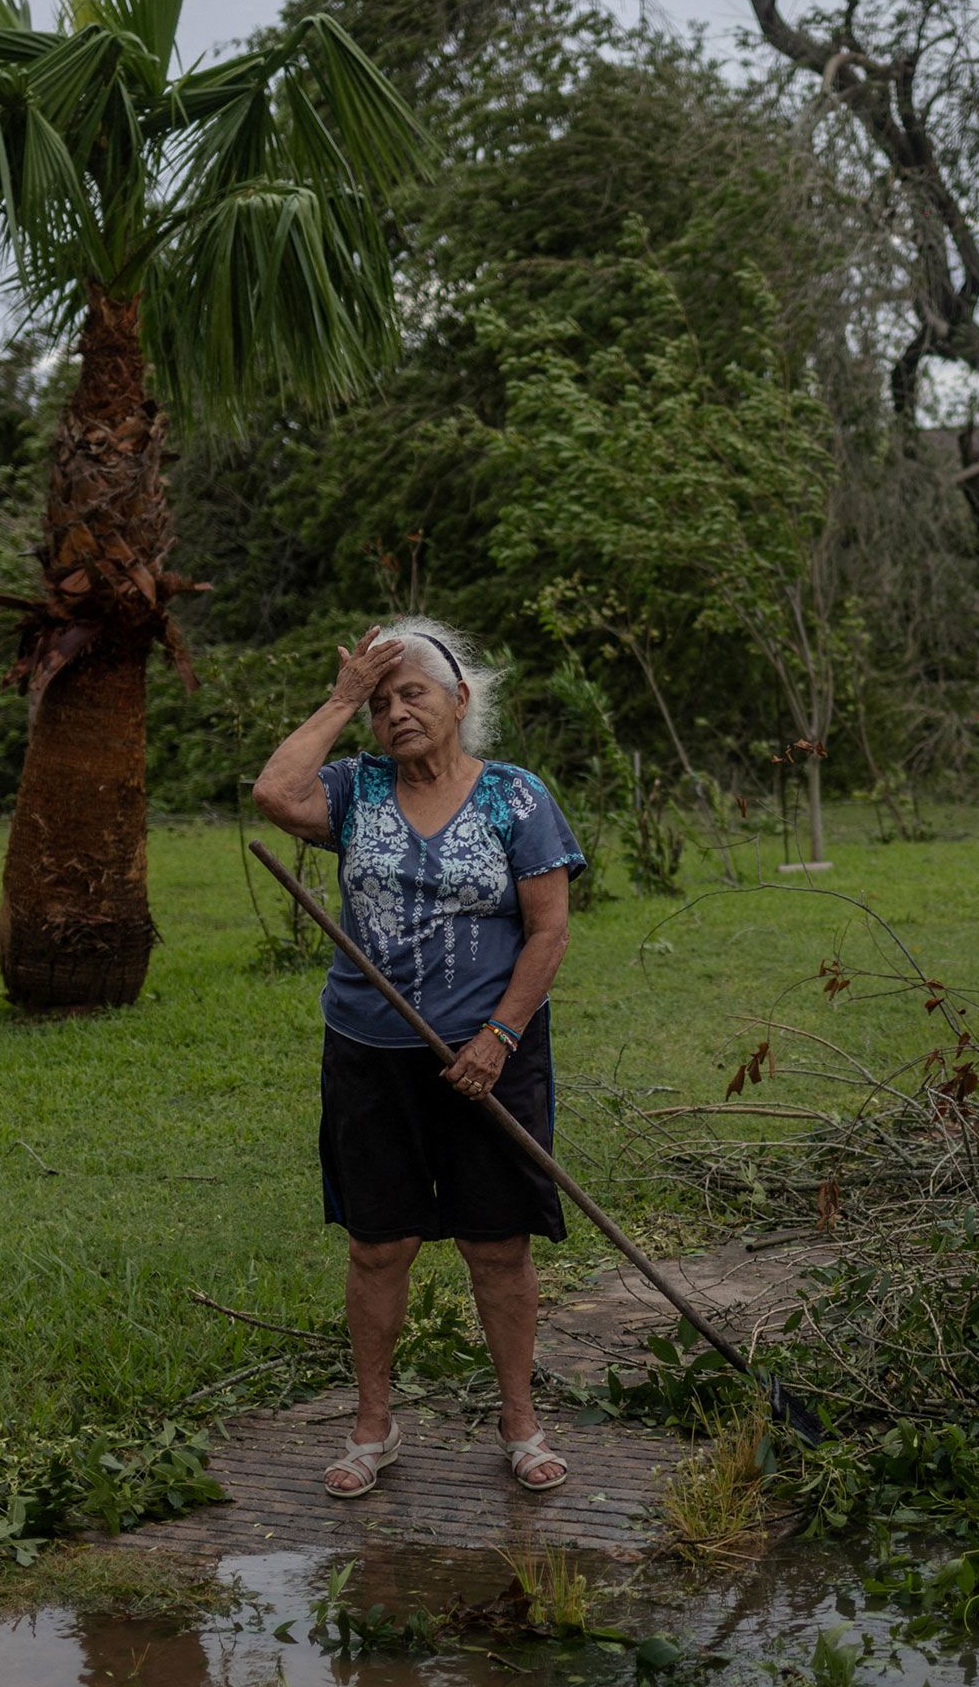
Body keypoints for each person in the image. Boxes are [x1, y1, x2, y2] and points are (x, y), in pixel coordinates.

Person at [253, 617, 586, 1499]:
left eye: (415, 693)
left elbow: (549, 931)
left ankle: (520, 1421)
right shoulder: (353, 790)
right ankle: (373, 1427)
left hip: (494, 1053)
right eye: (384, 700)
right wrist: (340, 697)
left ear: (460, 701)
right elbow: (273, 793)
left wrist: (498, 1037)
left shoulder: (516, 797)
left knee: (498, 1244)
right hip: (371, 1051)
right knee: (378, 1245)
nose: (397, 713)